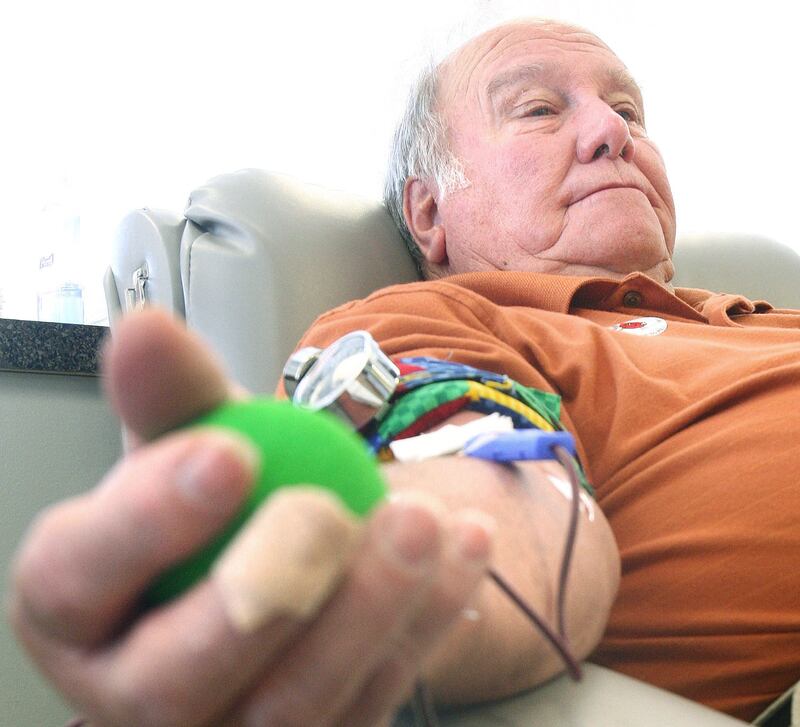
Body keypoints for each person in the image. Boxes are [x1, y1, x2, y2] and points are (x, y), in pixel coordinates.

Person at [7, 17, 798, 727]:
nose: (609, 132)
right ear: (428, 212)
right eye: (540, 110)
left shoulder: (770, 315)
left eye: (628, 111)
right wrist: (357, 589)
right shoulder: (445, 320)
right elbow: (495, 494)